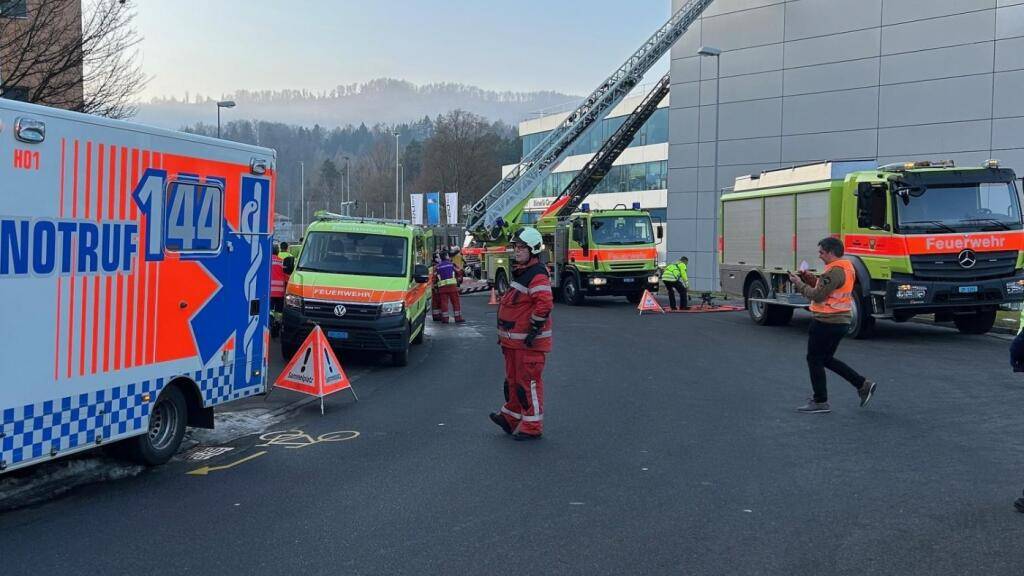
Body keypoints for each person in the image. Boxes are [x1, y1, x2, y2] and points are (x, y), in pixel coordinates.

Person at [788, 237, 876, 414]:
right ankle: (862, 384)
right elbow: (826, 289)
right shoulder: (846, 267)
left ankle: (820, 401)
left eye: (821, 252)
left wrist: (798, 283)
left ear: (830, 252)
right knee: (826, 358)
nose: (819, 256)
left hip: (826, 321)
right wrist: (809, 278)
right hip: (840, 320)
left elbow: (817, 295)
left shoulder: (834, 271)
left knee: (814, 359)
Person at [489, 227, 553, 441]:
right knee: (514, 383)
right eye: (515, 247)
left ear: (532, 249)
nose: (516, 250)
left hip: (528, 344)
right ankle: (510, 418)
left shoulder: (537, 274)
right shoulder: (523, 272)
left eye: (521, 247)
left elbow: (544, 304)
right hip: (514, 344)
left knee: (528, 384)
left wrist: (534, 329)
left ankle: (532, 426)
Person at [435, 251, 464, 324]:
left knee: (444, 303)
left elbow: (435, 278)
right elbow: (459, 272)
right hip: (452, 287)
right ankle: (458, 318)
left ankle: (445, 319)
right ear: (446, 256)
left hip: (442, 287)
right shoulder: (451, 264)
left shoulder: (438, 267)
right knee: (455, 302)